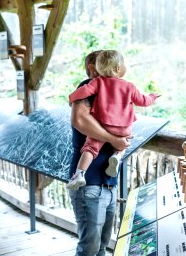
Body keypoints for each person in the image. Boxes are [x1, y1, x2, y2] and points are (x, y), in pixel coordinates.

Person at [67, 50, 130, 256]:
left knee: (102, 243)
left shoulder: (111, 93)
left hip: (106, 182)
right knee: (89, 245)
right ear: (91, 67)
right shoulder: (85, 89)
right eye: (98, 65)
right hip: (88, 181)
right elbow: (79, 120)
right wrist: (114, 140)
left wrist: (120, 139)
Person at [66, 49, 160, 190]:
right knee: (122, 142)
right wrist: (152, 97)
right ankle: (117, 155)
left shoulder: (98, 84)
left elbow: (81, 94)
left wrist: (71, 97)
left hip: (107, 181)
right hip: (92, 183)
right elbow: (143, 101)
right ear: (92, 68)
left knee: (91, 148)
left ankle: (80, 174)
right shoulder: (125, 85)